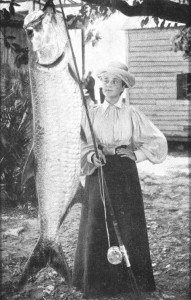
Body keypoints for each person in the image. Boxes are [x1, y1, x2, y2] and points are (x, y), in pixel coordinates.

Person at [72, 61, 168, 298]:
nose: (108, 85)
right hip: (98, 170)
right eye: (105, 80)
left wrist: (137, 154)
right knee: (96, 218)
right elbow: (80, 143)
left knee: (128, 221)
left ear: (124, 86)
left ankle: (132, 282)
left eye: (115, 81)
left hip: (124, 172)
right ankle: (95, 282)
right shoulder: (90, 113)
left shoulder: (131, 113)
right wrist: (91, 154)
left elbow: (158, 141)